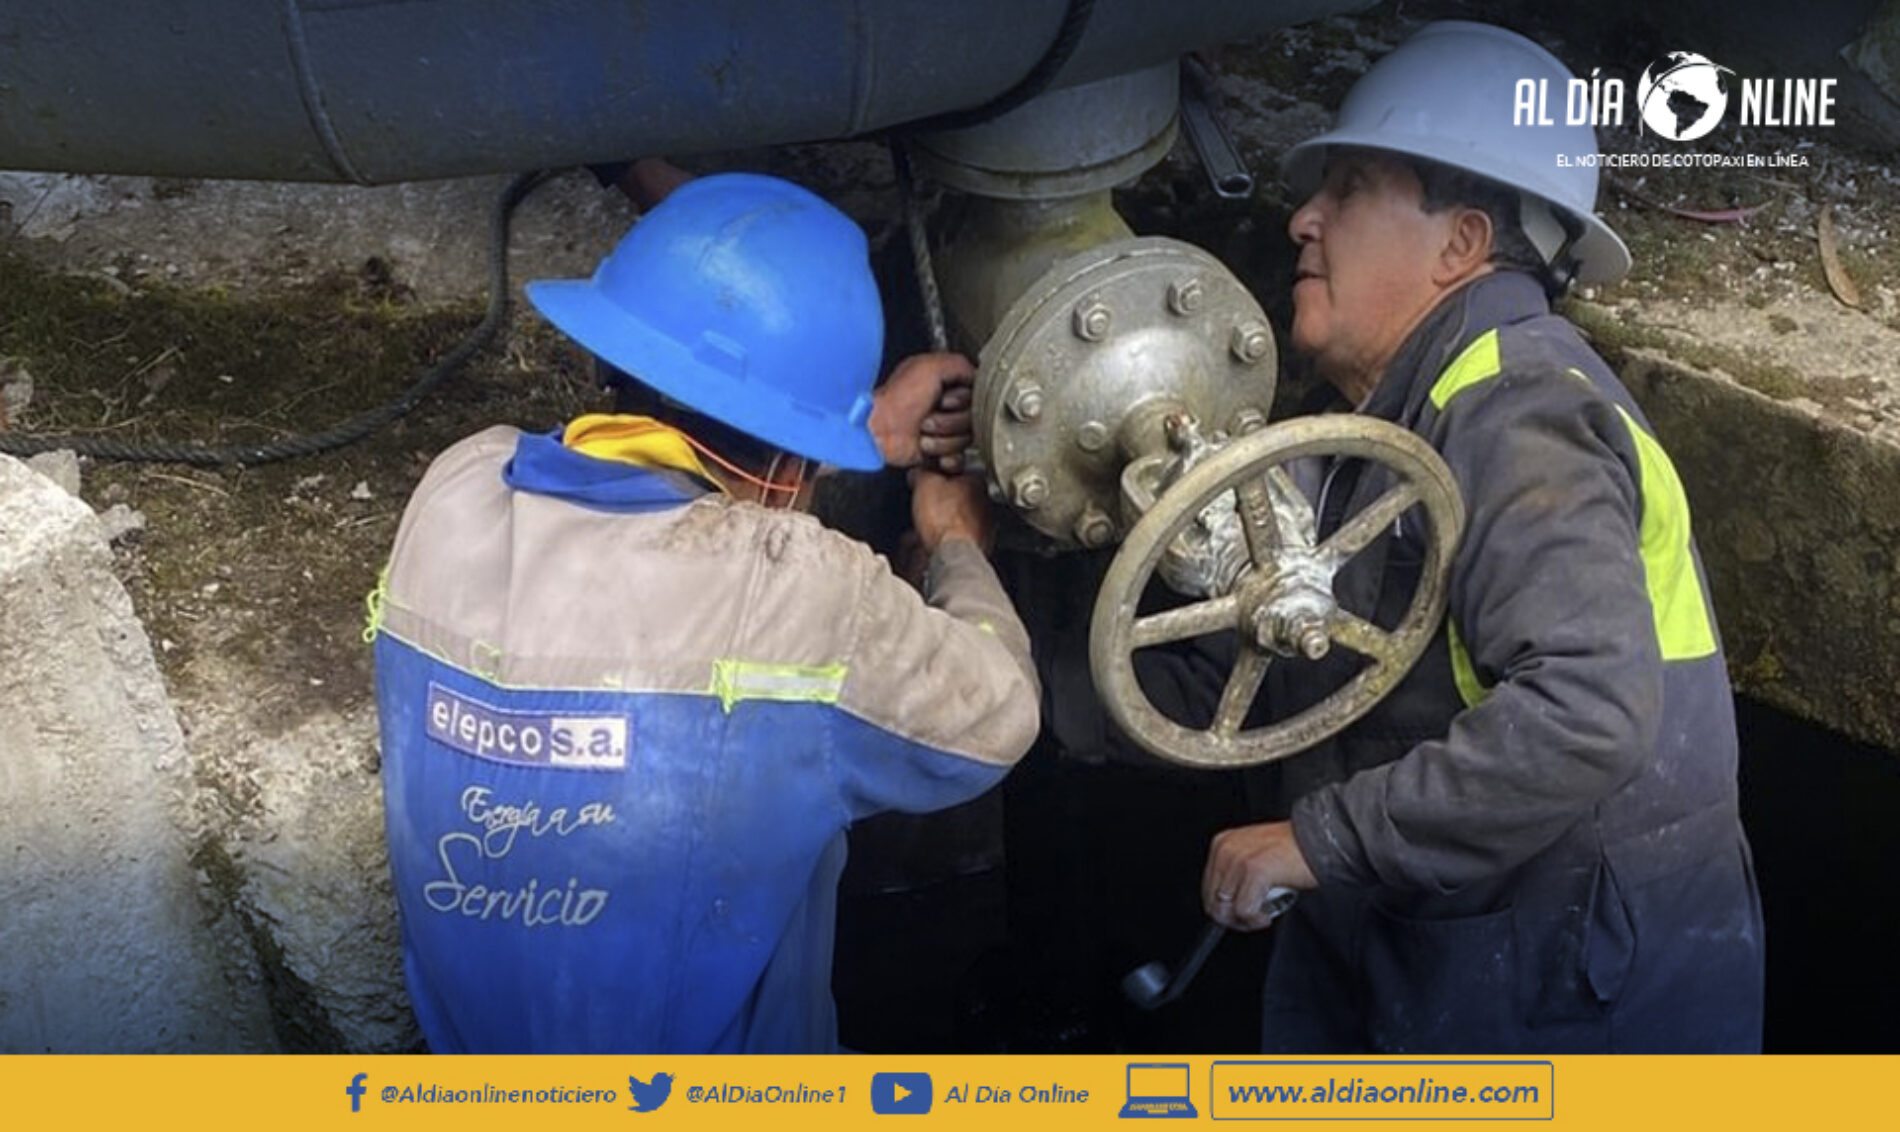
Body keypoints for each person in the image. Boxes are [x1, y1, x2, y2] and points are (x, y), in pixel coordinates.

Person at [369, 172, 1040, 1053]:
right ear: (792, 471)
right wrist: (956, 544)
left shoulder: (455, 490)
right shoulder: (803, 589)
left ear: (612, 354)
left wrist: (850, 426)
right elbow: (999, 716)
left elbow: (679, 519)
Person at [1197, 21, 1765, 1053]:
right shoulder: (1382, 426)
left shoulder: (1517, 411)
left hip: (1582, 998)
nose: (1301, 220)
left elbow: (1585, 709)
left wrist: (1320, 841)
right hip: (1486, 958)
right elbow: (1263, 674)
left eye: (1350, 188)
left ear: (1459, 245)